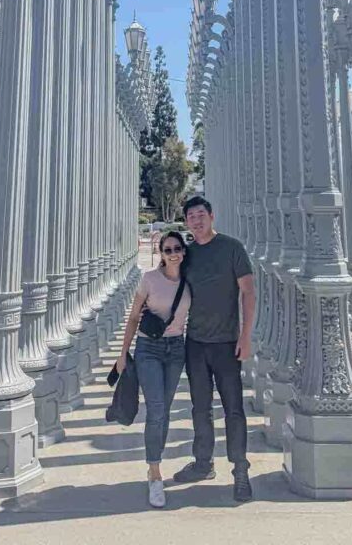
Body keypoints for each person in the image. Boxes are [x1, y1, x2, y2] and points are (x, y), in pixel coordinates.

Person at [173, 195, 255, 503]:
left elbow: (248, 292)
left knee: (233, 409)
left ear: (211, 216)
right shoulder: (188, 254)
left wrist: (245, 337)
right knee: (200, 408)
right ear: (187, 222)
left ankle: (240, 470)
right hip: (195, 343)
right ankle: (203, 463)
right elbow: (171, 288)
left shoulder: (232, 248)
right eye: (191, 217)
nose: (196, 220)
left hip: (226, 344)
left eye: (200, 215)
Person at [117, 230, 191, 509]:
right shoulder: (149, 279)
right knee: (157, 409)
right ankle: (155, 473)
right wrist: (123, 354)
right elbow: (135, 316)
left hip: (176, 349)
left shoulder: (190, 281)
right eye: (168, 249)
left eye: (177, 248)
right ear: (160, 253)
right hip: (148, 349)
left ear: (184, 252)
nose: (173, 253)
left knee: (165, 410)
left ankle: (153, 465)